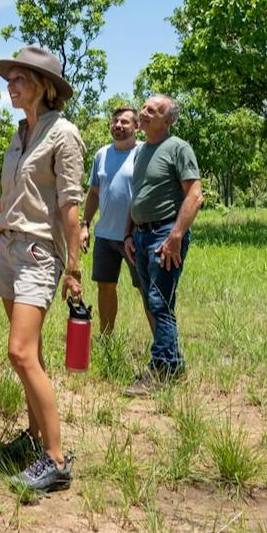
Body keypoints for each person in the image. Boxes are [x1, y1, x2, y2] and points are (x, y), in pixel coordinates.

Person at [0, 46, 84, 494]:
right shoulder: (20, 134)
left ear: (44, 86)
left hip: (39, 253)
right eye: (10, 79)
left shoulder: (63, 135)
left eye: (20, 79)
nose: (11, 86)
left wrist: (74, 268)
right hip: (8, 247)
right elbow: (15, 200)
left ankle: (56, 461)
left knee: (20, 353)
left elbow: (69, 205)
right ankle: (35, 436)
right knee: (32, 355)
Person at [121, 94, 203, 395]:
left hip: (164, 235)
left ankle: (161, 371)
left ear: (167, 120)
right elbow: (137, 196)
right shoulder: (141, 151)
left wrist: (176, 236)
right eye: (143, 107)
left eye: (152, 111)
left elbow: (194, 195)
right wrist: (128, 235)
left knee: (160, 302)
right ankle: (174, 365)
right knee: (151, 301)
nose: (143, 112)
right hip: (141, 236)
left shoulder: (178, 148)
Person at [80, 106, 148, 338]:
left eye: (125, 122)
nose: (118, 125)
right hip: (105, 236)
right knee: (105, 286)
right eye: (115, 121)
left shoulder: (144, 152)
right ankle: (106, 339)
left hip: (136, 235)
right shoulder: (102, 154)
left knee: (145, 288)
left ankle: (162, 344)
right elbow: (94, 193)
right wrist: (85, 225)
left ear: (137, 126)